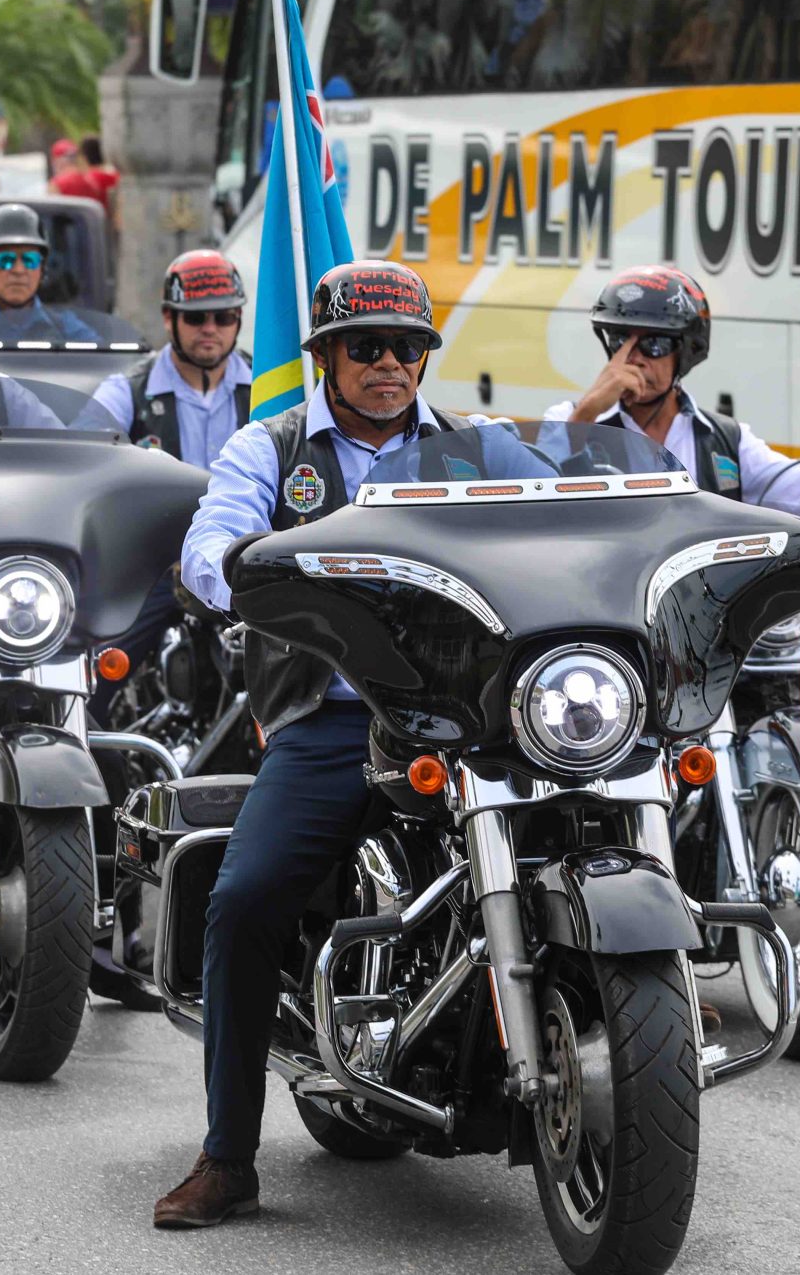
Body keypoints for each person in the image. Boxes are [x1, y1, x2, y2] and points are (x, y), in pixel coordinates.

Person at [152, 260, 539, 1231]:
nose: (389, 364)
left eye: (407, 347)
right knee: (242, 902)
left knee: (578, 826)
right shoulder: (270, 449)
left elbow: (563, 516)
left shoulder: (475, 449)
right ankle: (227, 1157)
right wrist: (238, 572)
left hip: (462, 716)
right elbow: (212, 546)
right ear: (325, 356)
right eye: (366, 347)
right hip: (331, 721)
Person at [84, 249, 252, 725]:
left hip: (242, 567)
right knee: (89, 682)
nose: (210, 328)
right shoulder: (126, 390)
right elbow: (84, 456)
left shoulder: (268, 388)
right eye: (196, 317)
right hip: (155, 567)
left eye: (224, 316)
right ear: (168, 318)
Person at [545, 265, 800, 519]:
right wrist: (587, 413)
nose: (633, 357)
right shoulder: (568, 419)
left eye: (654, 343)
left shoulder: (726, 440)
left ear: (685, 353)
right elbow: (534, 493)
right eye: (620, 340)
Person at [0, 202, 90, 344]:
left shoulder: (66, 328)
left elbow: (101, 362)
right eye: (5, 259)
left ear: (42, 268)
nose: (19, 270)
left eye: (30, 260)